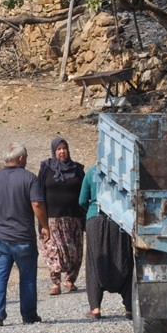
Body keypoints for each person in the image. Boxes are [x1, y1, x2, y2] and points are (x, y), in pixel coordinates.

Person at [0, 142, 49, 326]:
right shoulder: (30, 178)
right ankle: (29, 316)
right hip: (23, 238)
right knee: (27, 278)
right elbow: (37, 204)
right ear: (21, 158)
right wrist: (44, 225)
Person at [78, 163, 134, 319]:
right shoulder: (122, 172)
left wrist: (91, 206)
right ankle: (129, 308)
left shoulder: (90, 173)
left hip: (95, 220)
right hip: (118, 219)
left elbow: (82, 200)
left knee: (94, 263)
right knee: (124, 258)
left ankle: (95, 309)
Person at [38, 136, 85, 295]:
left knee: (74, 251)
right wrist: (41, 222)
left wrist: (85, 219)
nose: (62, 152)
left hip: (74, 218)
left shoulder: (77, 169)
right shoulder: (46, 169)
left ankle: (70, 280)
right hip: (52, 219)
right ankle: (55, 283)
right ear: (54, 151)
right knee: (53, 250)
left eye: (64, 148)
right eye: (58, 149)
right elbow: (39, 195)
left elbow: (84, 193)